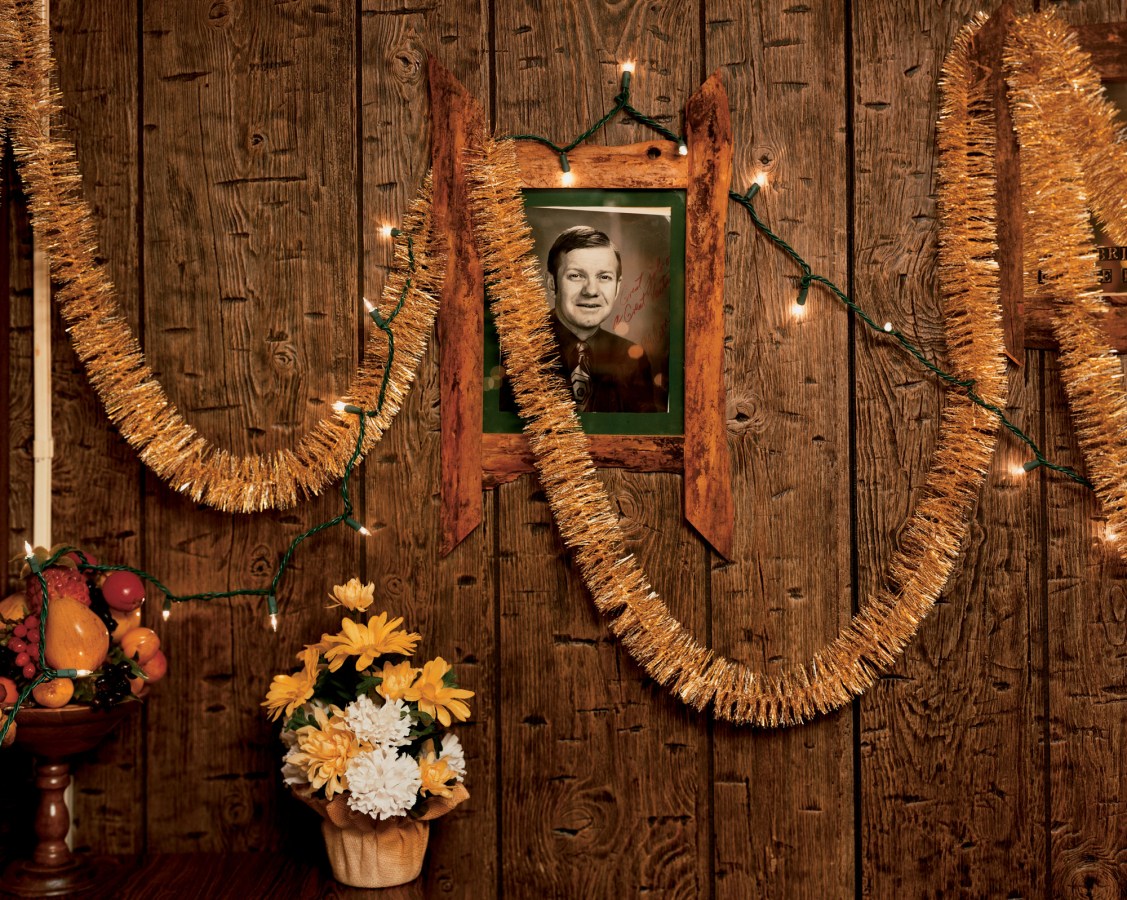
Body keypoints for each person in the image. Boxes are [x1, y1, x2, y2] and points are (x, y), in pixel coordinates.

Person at [544, 225, 661, 413]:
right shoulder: (516, 352)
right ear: (552, 284)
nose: (591, 291)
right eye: (575, 276)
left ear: (617, 287)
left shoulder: (632, 360)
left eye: (604, 277)